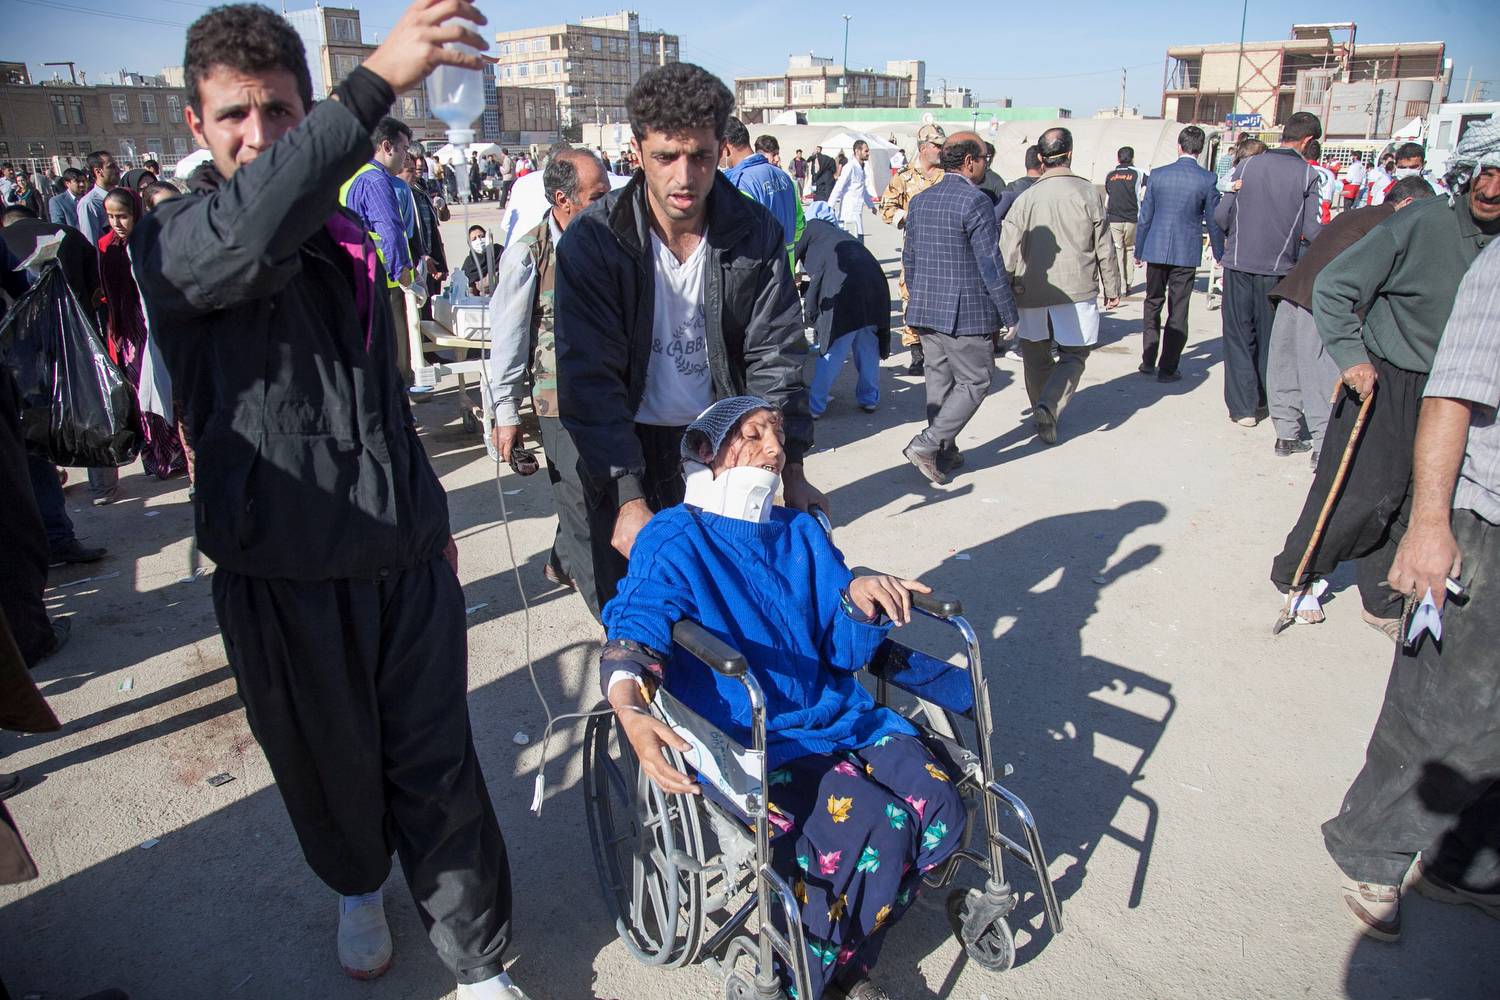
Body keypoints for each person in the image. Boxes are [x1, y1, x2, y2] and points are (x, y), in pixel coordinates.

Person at [129, 5, 527, 997]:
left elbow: (383, 402)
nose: (259, 133)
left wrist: (430, 520)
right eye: (235, 115)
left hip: (401, 559)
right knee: (330, 771)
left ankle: (478, 962)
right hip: (284, 573)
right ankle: (357, 884)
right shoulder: (178, 240)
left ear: (302, 114)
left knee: (438, 765)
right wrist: (375, 82)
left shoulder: (346, 239)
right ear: (196, 125)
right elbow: (250, 226)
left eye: (279, 111)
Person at [600, 395, 962, 1000]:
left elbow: (843, 650)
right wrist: (630, 707)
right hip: (753, 736)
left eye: (777, 434)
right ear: (705, 451)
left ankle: (846, 940)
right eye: (754, 434)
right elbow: (636, 621)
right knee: (879, 822)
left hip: (838, 716)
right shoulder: (675, 535)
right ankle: (820, 977)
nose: (774, 448)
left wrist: (858, 599)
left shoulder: (800, 531)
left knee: (941, 802)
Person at [554, 61, 824, 615]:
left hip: (717, 449)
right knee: (635, 610)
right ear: (637, 151)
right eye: (666, 157)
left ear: (721, 147)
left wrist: (792, 465)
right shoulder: (594, 240)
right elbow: (589, 380)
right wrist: (626, 497)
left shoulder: (754, 231)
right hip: (624, 446)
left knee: (727, 609)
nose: (684, 176)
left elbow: (777, 355)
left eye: (700, 156)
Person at [1321, 237, 1500, 942]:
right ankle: (1374, 848)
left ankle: (1466, 864)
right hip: (1488, 516)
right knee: (1445, 703)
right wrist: (1428, 523)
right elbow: (1451, 394)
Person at [1269, 121, 1500, 633]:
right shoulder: (1421, 222)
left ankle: (1383, 599)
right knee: (1356, 493)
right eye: (1486, 174)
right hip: (1389, 380)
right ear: (1469, 172)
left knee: (1417, 500)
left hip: (1459, 390)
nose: (1491, 190)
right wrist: (1352, 357)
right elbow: (1334, 285)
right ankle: (1298, 578)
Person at [486, 149, 610, 606]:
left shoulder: (613, 242)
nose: (608, 204)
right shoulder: (528, 255)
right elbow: (508, 338)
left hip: (612, 393)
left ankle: (560, 560)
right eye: (597, 196)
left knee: (605, 490)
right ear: (563, 200)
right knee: (581, 508)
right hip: (559, 402)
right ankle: (611, 618)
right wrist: (505, 412)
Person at [1265, 175, 1436, 463]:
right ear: (1407, 203)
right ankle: (1323, 445)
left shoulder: (1358, 214)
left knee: (1286, 365)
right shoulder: (1393, 225)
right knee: (1320, 372)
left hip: (1293, 290)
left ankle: (1286, 434)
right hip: (1323, 300)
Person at [901, 132, 1019, 484]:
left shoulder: (920, 201)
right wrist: (1008, 313)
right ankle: (928, 444)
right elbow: (990, 262)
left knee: (939, 382)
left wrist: (918, 299)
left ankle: (943, 452)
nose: (986, 165)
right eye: (984, 159)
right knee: (976, 380)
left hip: (927, 309)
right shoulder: (975, 201)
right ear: (969, 162)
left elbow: (909, 258)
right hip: (965, 313)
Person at [1001, 126, 1121, 446]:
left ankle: (1044, 412)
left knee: (1035, 353)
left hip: (1030, 287)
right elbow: (1104, 245)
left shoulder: (1026, 198)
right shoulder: (1088, 193)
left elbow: (1007, 248)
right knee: (1075, 353)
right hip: (1076, 287)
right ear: (1070, 153)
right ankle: (1049, 406)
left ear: (1041, 159)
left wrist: (1003, 288)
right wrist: (1112, 286)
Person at [1214, 112, 1323, 428]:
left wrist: (1236, 237)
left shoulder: (1247, 165)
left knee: (1237, 335)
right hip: (1278, 268)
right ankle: (1268, 400)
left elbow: (1221, 215)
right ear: (1308, 141)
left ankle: (1242, 408)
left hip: (1238, 263)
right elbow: (1312, 230)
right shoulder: (1307, 175)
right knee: (1271, 339)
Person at [94, 188, 187, 488]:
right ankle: (156, 457)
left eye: (122, 216)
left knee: (163, 391)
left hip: (149, 326)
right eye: (111, 217)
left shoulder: (148, 244)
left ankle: (174, 455)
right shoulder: (108, 247)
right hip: (127, 333)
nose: (117, 223)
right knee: (141, 396)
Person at [1133, 125, 1223, 383]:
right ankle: (1168, 368)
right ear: (1200, 150)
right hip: (1186, 251)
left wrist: (1139, 249)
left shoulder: (1158, 175)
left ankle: (1147, 360)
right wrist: (1218, 252)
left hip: (1156, 248)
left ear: (1178, 146)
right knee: (1179, 309)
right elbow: (1214, 221)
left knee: (1152, 302)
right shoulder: (1207, 179)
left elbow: (1145, 217)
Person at [340, 115, 416, 383]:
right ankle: (400, 395)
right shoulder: (377, 181)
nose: (405, 157)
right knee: (396, 347)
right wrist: (401, 270)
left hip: (359, 274)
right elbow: (390, 229)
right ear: (386, 146)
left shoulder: (353, 176)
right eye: (403, 148)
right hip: (384, 278)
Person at [798, 202, 891, 418]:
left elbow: (791, 258)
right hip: (875, 284)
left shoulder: (810, 229)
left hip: (846, 291)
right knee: (868, 345)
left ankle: (815, 406)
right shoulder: (841, 234)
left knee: (834, 346)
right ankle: (869, 398)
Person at [879, 123, 946, 376]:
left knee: (942, 299)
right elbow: (886, 207)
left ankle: (940, 351)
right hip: (916, 251)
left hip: (945, 250)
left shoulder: (948, 175)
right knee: (911, 299)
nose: (940, 150)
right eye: (936, 145)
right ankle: (917, 353)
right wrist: (907, 217)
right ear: (923, 147)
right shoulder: (904, 177)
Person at [721, 117, 803, 263]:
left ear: (725, 148)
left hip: (760, 272)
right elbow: (800, 225)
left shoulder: (739, 184)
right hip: (786, 267)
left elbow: (739, 240)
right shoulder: (785, 178)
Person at [499, 141, 569, 247]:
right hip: (539, 251)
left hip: (514, 249)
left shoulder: (522, 182)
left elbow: (506, 225)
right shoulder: (567, 183)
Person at [1104, 146, 1145, 294]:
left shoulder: (1110, 175)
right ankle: (1128, 283)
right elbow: (1149, 185)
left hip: (1114, 218)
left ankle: (1120, 286)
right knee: (1129, 249)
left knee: (1118, 251)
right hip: (1132, 219)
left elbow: (1108, 193)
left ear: (1118, 159)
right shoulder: (1138, 173)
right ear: (1132, 158)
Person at [827, 139, 878, 242]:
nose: (868, 153)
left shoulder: (861, 167)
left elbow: (862, 189)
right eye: (866, 151)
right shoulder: (850, 167)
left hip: (857, 212)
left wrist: (871, 206)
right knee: (854, 243)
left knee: (859, 241)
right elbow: (838, 187)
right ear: (857, 151)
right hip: (848, 213)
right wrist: (829, 207)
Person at [75, 149, 119, 247]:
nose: (117, 170)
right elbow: (91, 243)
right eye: (111, 167)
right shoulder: (89, 204)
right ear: (98, 171)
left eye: (116, 166)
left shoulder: (121, 195)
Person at [461, 225, 500, 296]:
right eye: (474, 239)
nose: (479, 240)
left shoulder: (498, 251)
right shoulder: (469, 262)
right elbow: (469, 290)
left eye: (481, 236)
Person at [1304, 140, 1337, 224]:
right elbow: (1329, 200)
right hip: (1323, 219)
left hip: (1304, 220)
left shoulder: (1300, 171)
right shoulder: (1329, 173)